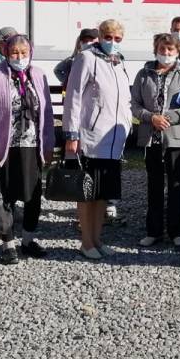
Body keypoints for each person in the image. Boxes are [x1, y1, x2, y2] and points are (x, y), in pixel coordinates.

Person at [0, 34, 56, 264]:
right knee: (6, 196)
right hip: (6, 147)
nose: (19, 57)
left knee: (33, 196)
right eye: (14, 53)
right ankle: (8, 244)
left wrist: (49, 144)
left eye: (24, 53)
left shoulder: (38, 74)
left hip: (32, 145)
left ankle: (28, 240)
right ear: (6, 53)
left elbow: (47, 114)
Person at [63, 18, 133, 259]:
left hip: (113, 140)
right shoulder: (86, 58)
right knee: (87, 193)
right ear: (100, 36)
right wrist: (72, 133)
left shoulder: (119, 62)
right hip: (91, 139)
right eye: (108, 37)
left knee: (104, 194)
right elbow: (73, 97)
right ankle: (86, 242)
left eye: (117, 39)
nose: (112, 42)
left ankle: (98, 239)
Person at [132, 33, 180, 248]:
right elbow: (134, 103)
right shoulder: (144, 73)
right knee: (154, 185)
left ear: (177, 51)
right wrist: (150, 117)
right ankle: (153, 231)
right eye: (162, 49)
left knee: (176, 185)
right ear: (156, 50)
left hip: (176, 139)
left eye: (170, 50)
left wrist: (170, 118)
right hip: (151, 138)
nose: (166, 53)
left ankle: (177, 231)